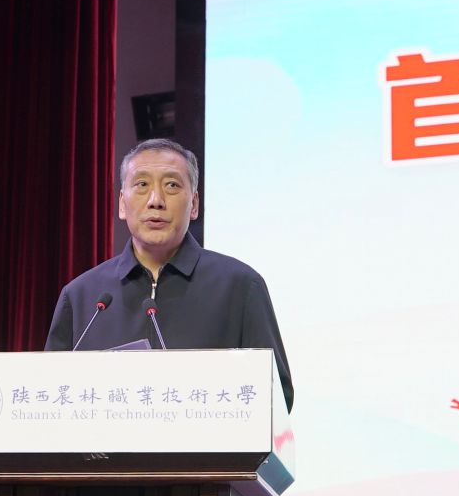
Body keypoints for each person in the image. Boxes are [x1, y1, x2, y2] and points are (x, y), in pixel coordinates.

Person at [45, 138, 293, 410]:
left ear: (194, 204)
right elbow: (51, 396)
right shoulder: (82, 296)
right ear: (122, 204)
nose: (156, 201)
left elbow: (276, 398)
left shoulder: (240, 286)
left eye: (172, 185)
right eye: (142, 185)